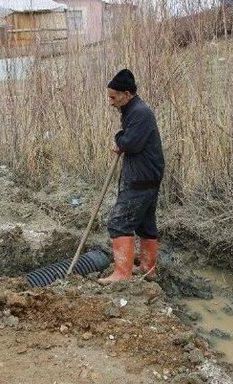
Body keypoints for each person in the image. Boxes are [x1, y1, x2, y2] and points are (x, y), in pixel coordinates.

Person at [98, 69, 165, 284]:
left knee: (119, 223)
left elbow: (130, 143)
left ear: (127, 94)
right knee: (145, 224)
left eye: (113, 97)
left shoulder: (140, 112)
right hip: (148, 175)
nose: (110, 101)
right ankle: (147, 269)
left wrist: (120, 138)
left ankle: (122, 274)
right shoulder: (133, 110)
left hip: (141, 178)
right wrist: (124, 140)